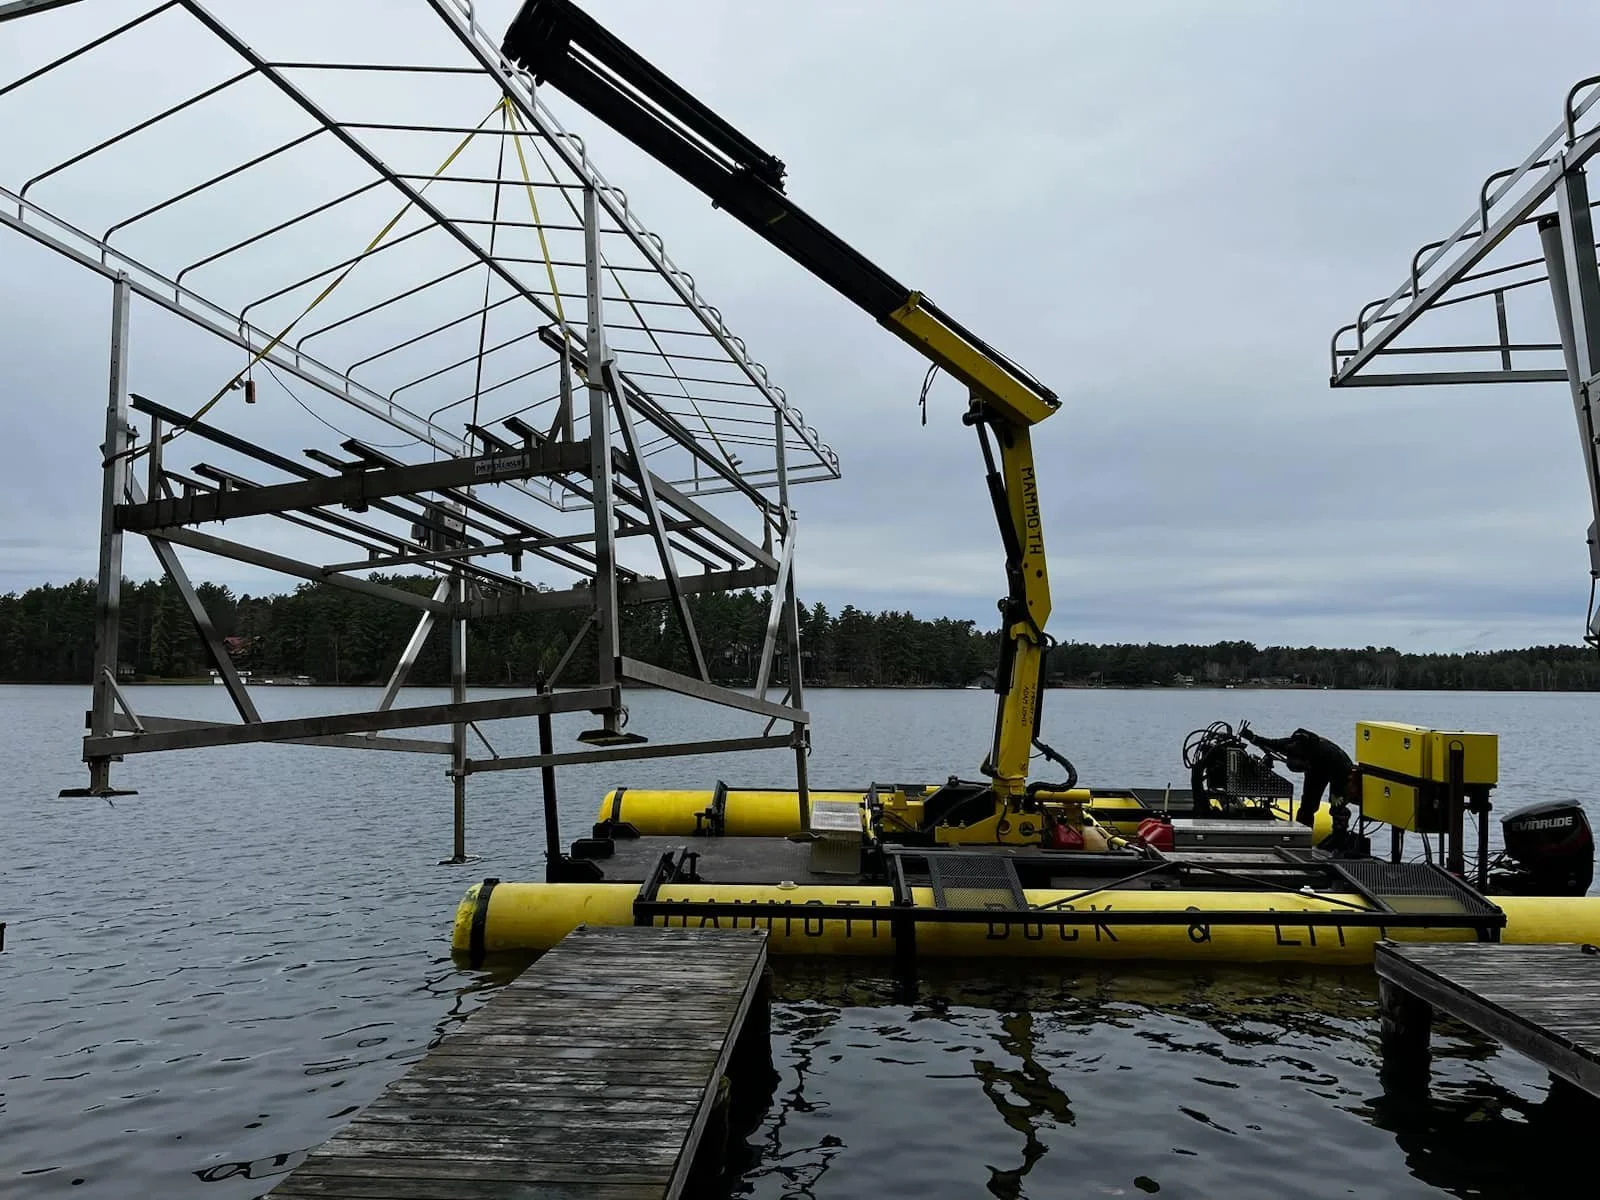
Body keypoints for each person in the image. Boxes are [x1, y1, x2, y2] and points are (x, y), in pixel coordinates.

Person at [1240, 724, 1354, 828]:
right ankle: (1304, 832)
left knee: (1337, 805)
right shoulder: (1291, 745)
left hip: (1339, 770)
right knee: (1307, 806)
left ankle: (1339, 834)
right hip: (1314, 770)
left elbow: (1342, 773)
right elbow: (1270, 743)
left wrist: (1338, 794)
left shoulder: (1328, 753)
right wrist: (1252, 737)